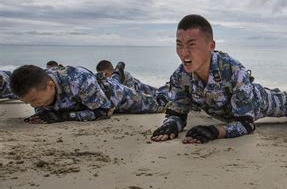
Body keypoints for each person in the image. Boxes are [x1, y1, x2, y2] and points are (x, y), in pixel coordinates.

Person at [151, 14, 287, 144]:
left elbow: (247, 125)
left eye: (191, 45)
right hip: (224, 112)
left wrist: (216, 132)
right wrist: (171, 126)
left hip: (258, 102)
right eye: (179, 45)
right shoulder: (179, 76)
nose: (184, 53)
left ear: (211, 46)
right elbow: (177, 113)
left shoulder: (234, 71)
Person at [10, 65, 169, 124]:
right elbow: (45, 107)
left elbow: (103, 111)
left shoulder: (77, 79)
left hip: (115, 97)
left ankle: (167, 87)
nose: (33, 106)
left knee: (160, 103)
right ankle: (119, 74)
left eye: (35, 100)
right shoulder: (38, 84)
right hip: (94, 90)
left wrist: (63, 117)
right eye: (28, 103)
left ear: (50, 85)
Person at [96, 60, 169, 98]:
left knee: (157, 92)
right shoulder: (114, 79)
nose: (103, 77)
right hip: (136, 86)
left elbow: (133, 93)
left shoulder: (123, 75)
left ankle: (168, 86)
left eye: (104, 74)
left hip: (139, 87)